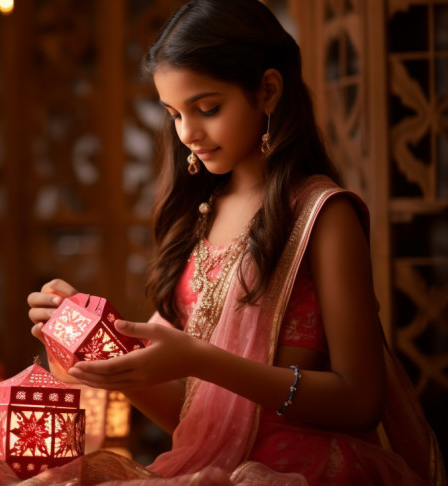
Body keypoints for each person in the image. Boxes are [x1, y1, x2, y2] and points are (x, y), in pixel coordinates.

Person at [26, 0, 445, 484]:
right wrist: (101, 352)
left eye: (207, 108)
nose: (188, 133)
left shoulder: (322, 215)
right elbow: (197, 424)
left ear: (267, 90)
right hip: (211, 468)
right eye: (174, 114)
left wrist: (200, 360)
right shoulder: (200, 212)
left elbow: (360, 402)